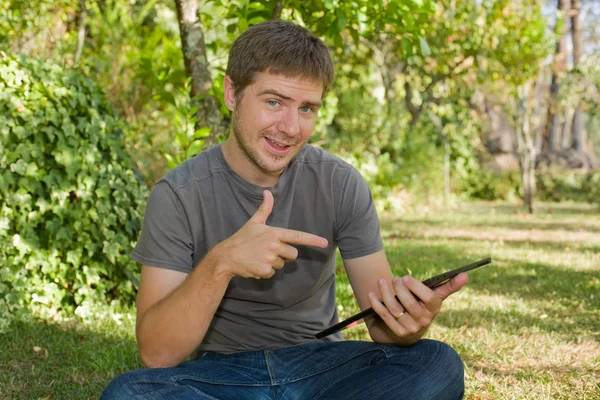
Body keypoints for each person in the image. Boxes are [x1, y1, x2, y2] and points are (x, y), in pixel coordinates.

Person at [101, 20, 468, 400]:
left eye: (306, 108)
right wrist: (221, 262)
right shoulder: (178, 193)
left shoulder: (340, 183)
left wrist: (408, 324)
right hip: (223, 374)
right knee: (130, 393)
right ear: (232, 93)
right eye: (274, 102)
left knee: (437, 362)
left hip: (321, 365)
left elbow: (382, 328)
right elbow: (157, 353)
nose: (290, 127)